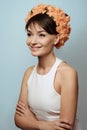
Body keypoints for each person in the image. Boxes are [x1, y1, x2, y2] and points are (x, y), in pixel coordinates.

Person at [14, 3, 83, 130]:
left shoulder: (67, 73)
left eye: (41, 35)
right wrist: (42, 125)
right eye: (29, 34)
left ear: (56, 38)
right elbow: (18, 119)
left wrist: (30, 121)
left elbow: (65, 128)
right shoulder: (29, 72)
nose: (33, 41)